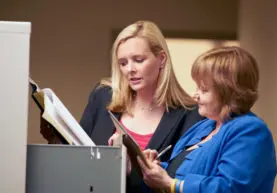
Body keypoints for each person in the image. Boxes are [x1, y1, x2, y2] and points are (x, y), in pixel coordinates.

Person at [40, 20, 204, 192]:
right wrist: (54, 138)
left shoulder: (191, 115)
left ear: (161, 59)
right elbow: (78, 160)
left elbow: (183, 183)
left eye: (138, 60)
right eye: (123, 63)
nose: (129, 70)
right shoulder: (102, 97)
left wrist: (134, 168)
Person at [137, 46, 277, 193]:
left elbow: (229, 188)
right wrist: (156, 169)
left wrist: (170, 184)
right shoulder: (204, 127)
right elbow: (180, 174)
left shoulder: (251, 130)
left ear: (228, 92)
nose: (195, 95)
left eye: (204, 90)